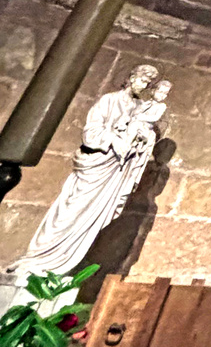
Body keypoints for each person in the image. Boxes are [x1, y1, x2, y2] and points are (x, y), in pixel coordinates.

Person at [2, 66, 171, 287]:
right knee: (69, 213)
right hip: (96, 165)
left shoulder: (143, 108)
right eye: (141, 80)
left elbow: (147, 136)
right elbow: (91, 134)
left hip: (115, 171)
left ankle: (60, 266)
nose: (144, 86)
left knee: (92, 221)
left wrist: (142, 137)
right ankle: (39, 260)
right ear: (130, 78)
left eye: (148, 84)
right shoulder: (109, 101)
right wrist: (116, 139)